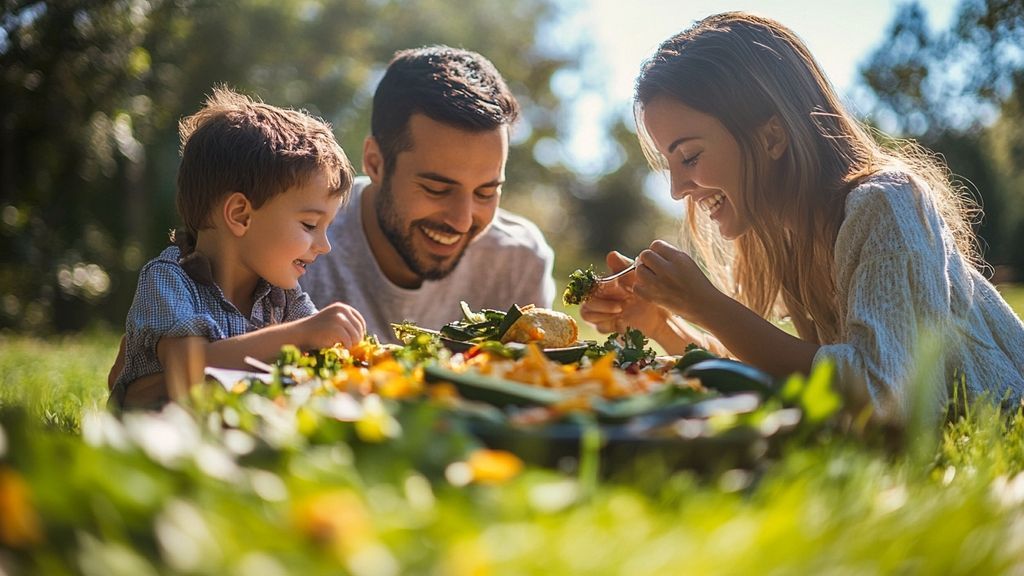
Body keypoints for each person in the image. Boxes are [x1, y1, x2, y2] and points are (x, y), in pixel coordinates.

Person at [580, 12, 1024, 421]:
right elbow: (776, 369)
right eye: (669, 166)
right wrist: (661, 323)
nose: (678, 190)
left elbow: (886, 396)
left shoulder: (884, 204)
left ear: (772, 135)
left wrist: (707, 305)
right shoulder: (789, 235)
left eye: (690, 156)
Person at [108, 87, 366, 409]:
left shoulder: (280, 295)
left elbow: (321, 350)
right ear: (240, 215)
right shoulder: (169, 279)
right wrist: (301, 335)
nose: (324, 246)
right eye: (310, 226)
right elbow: (188, 371)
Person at [300, 46, 556, 343]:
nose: (461, 221)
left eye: (486, 192)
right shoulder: (299, 241)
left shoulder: (517, 262)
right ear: (375, 162)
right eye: (437, 189)